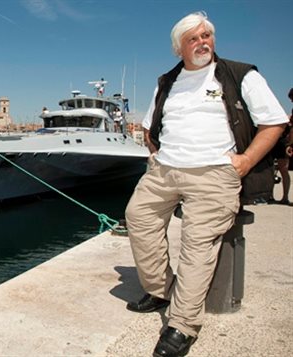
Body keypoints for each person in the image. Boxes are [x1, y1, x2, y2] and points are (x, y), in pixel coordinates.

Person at [124, 11, 288, 357]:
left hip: (214, 172)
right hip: (165, 169)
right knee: (138, 219)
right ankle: (161, 290)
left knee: (196, 245)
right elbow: (149, 125)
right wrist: (156, 155)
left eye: (207, 36)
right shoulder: (167, 82)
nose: (203, 43)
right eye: (193, 38)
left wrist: (244, 162)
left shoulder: (240, 74)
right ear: (178, 48)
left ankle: (182, 325)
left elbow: (273, 122)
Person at [270, 88, 293, 204]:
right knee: (275, 169)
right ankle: (277, 196)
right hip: (279, 142)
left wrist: (290, 144)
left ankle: (284, 197)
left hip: (283, 142)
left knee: (283, 169)